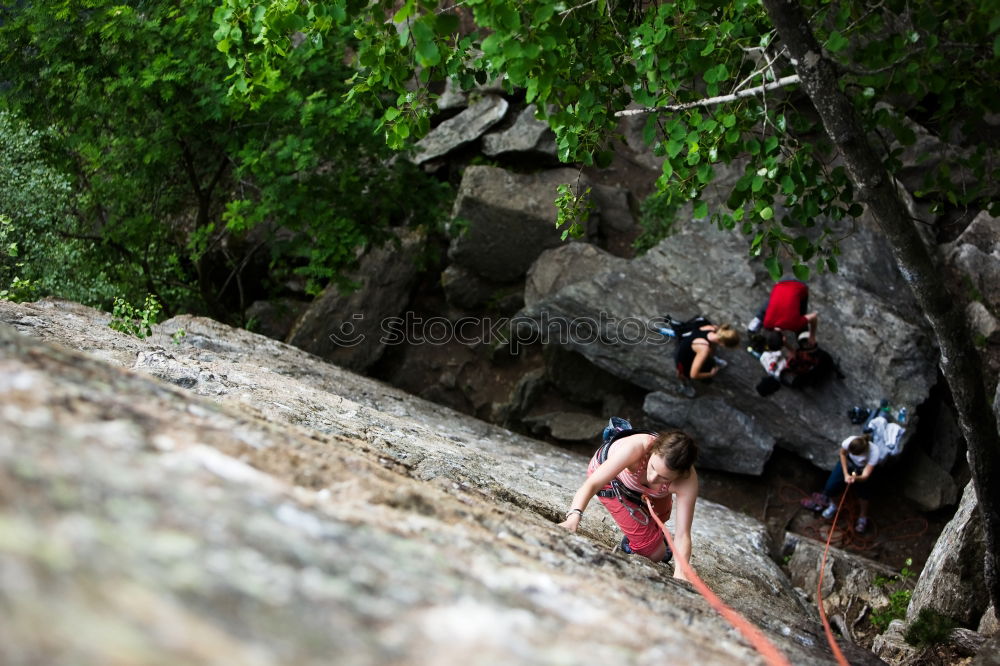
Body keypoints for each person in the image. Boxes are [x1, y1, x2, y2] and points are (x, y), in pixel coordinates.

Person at [559, 428, 699, 581]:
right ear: (652, 450)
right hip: (612, 481)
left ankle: (646, 535)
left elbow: (682, 534)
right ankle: (639, 542)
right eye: (652, 467)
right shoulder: (635, 448)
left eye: (664, 478)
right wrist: (573, 518)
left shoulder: (687, 481)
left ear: (680, 475)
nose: (652, 478)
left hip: (646, 491)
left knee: (663, 515)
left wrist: (680, 572)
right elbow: (592, 485)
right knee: (656, 554)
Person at [801, 432, 881, 534]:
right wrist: (845, 473)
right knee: (830, 487)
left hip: (862, 469)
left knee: (864, 494)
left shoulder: (874, 453)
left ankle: (862, 516)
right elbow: (843, 454)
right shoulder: (849, 441)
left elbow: (865, 476)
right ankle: (834, 505)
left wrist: (855, 478)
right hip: (848, 464)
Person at [751, 279, 818, 347]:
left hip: (799, 284)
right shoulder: (766, 323)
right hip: (780, 282)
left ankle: (804, 334)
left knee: (801, 317)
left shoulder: (794, 324)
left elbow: (814, 316)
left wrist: (812, 336)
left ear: (784, 338)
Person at [674, 322, 740, 380]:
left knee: (707, 353)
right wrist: (711, 374)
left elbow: (711, 345)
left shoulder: (712, 328)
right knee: (682, 374)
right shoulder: (704, 349)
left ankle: (713, 359)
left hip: (689, 344)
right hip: (683, 357)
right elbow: (693, 375)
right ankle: (684, 385)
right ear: (722, 344)